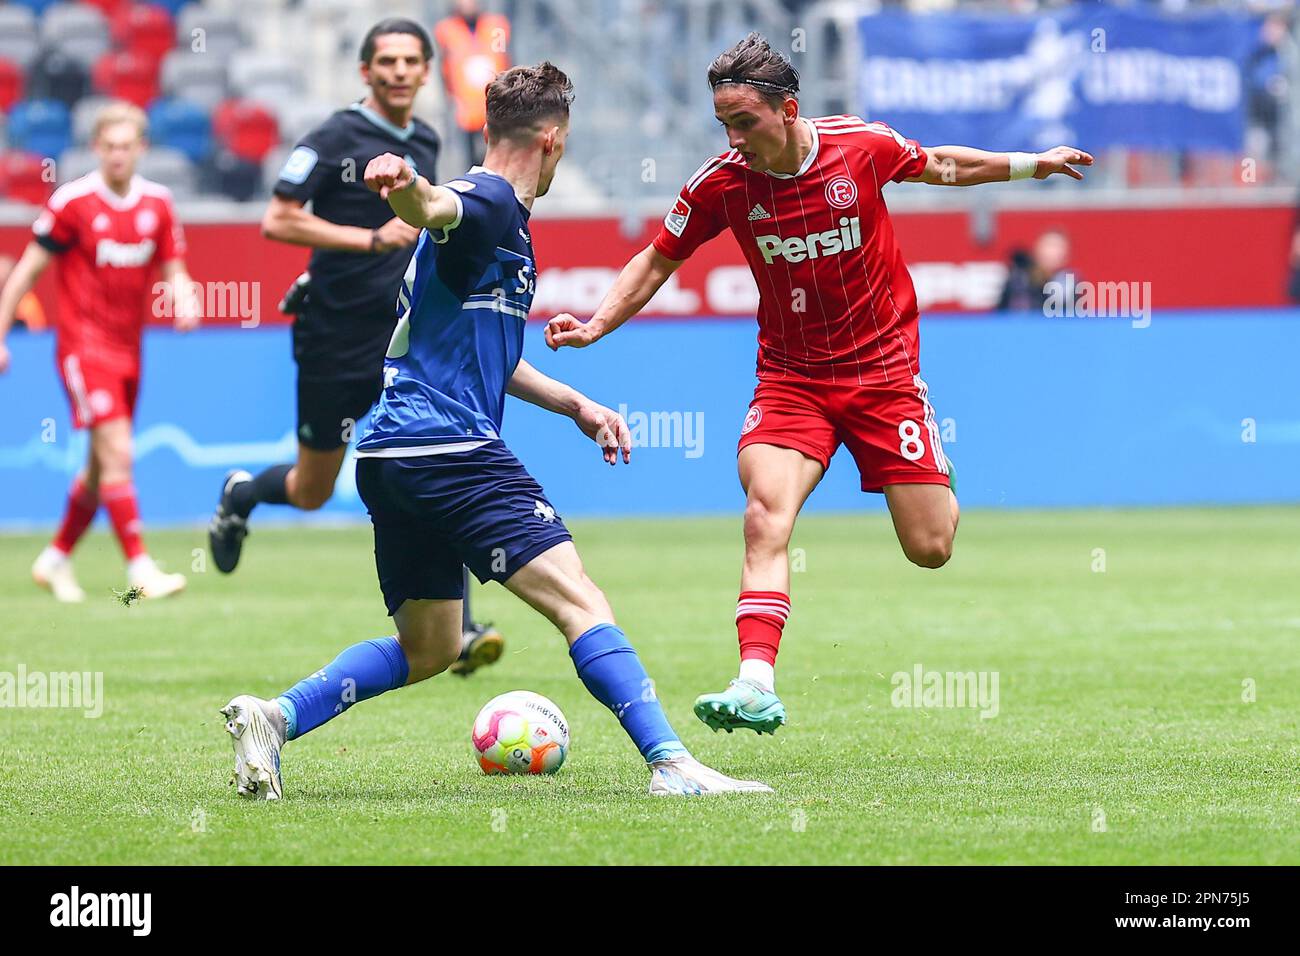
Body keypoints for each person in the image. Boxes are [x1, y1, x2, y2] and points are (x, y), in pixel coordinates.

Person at [220, 62, 772, 799]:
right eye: (564, 142)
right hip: (450, 447)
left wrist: (577, 405)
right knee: (581, 602)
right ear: (551, 140)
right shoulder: (488, 202)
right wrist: (404, 185)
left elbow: (486, 353)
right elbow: (438, 206)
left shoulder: (496, 223)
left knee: (432, 646)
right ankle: (673, 765)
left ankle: (276, 717)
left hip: (391, 451)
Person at [545, 33, 1092, 735]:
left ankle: (928, 451)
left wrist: (1028, 165)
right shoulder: (721, 183)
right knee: (764, 515)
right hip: (791, 379)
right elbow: (657, 259)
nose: (734, 139)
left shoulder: (859, 147)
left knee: (930, 547)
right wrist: (596, 327)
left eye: (744, 122)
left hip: (884, 373)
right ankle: (754, 683)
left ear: (788, 109)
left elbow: (941, 164)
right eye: (724, 125)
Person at [206, 18, 500, 674]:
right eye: (386, 61)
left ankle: (461, 622)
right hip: (335, 337)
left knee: (434, 460)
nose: (399, 71)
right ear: (365, 71)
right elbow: (277, 218)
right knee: (313, 489)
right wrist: (365, 241)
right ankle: (243, 497)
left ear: (428, 71)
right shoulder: (334, 136)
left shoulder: (426, 137)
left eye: (410, 61)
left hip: (403, 340)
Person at [0, 101, 198, 603]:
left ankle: (56, 557)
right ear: (95, 148)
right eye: (108, 146)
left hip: (131, 350)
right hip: (82, 350)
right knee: (119, 454)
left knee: (98, 468)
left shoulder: (158, 203)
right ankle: (139, 567)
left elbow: (173, 266)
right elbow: (26, 271)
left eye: (126, 146)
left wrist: (184, 295)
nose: (116, 155)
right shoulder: (73, 202)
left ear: (141, 148)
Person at [434, 0, 510, 167]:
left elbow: (506, 58)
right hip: (465, 102)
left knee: (498, 150)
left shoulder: (497, 26)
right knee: (469, 155)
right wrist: (449, 96)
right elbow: (444, 65)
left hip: (496, 97)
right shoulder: (446, 30)